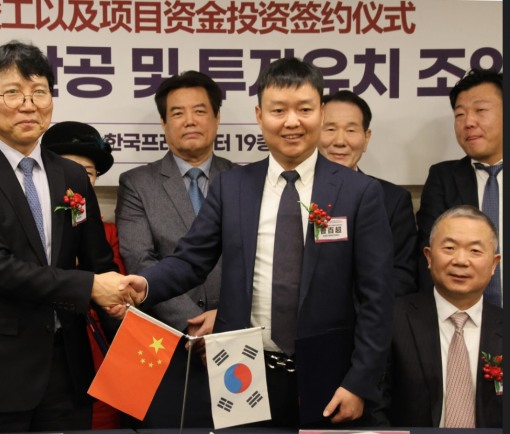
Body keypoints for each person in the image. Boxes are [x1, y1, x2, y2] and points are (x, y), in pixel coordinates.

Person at [119, 57, 394, 429]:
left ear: (321, 111)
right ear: (260, 116)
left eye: (304, 109)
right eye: (278, 110)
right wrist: (146, 284)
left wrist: (360, 381)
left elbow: (377, 298)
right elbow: (190, 261)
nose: (291, 122)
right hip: (241, 369)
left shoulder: (358, 192)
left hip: (330, 375)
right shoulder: (232, 186)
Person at [0, 41, 126, 433]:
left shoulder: (72, 177)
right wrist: (90, 286)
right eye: (13, 93)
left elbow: (98, 262)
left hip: (67, 371)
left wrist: (123, 318)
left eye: (39, 92)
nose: (28, 105)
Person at [114, 70, 234, 428]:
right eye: (177, 113)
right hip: (162, 342)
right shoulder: (137, 183)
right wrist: (195, 326)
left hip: (235, 337)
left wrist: (225, 321)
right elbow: (141, 261)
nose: (190, 120)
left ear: (216, 118)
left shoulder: (244, 180)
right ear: (164, 124)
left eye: (200, 110)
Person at [378, 205, 502, 427]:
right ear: (428, 256)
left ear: (494, 264)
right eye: (449, 248)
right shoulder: (393, 318)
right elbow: (374, 405)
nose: (461, 260)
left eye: (475, 251)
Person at [41, 120, 124, 429]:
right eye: (67, 169)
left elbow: (114, 285)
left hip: (93, 346)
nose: (76, 180)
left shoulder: (108, 234)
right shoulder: (28, 228)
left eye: (86, 174)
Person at [416, 68, 503, 305]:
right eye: (460, 115)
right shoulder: (442, 177)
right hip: (459, 316)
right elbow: (428, 256)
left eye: (480, 111)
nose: (468, 122)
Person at [319, 90, 417, 296]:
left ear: (366, 138)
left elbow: (402, 276)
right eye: (330, 129)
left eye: (351, 130)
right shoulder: (294, 193)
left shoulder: (393, 200)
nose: (339, 141)